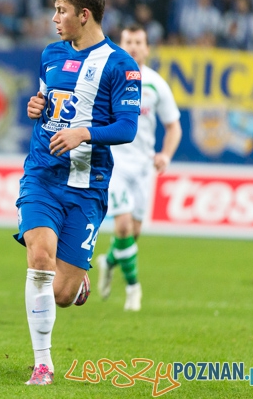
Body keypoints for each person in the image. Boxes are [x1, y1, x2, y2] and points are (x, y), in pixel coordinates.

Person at [18, 0, 141, 385]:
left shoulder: (121, 65)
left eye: (62, 11)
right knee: (39, 258)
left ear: (84, 15)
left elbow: (127, 128)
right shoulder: (52, 54)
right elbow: (47, 100)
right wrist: (36, 105)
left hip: (86, 187)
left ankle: (79, 280)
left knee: (60, 294)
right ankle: (43, 364)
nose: (55, 18)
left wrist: (85, 132)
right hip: (42, 175)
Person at [96, 25, 182, 312]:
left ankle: (108, 262)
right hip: (115, 163)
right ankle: (134, 288)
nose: (133, 47)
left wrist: (165, 156)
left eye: (139, 42)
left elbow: (174, 127)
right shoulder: (110, 79)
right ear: (120, 46)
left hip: (144, 168)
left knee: (132, 234)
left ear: (147, 48)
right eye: (128, 42)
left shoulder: (157, 84)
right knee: (121, 226)